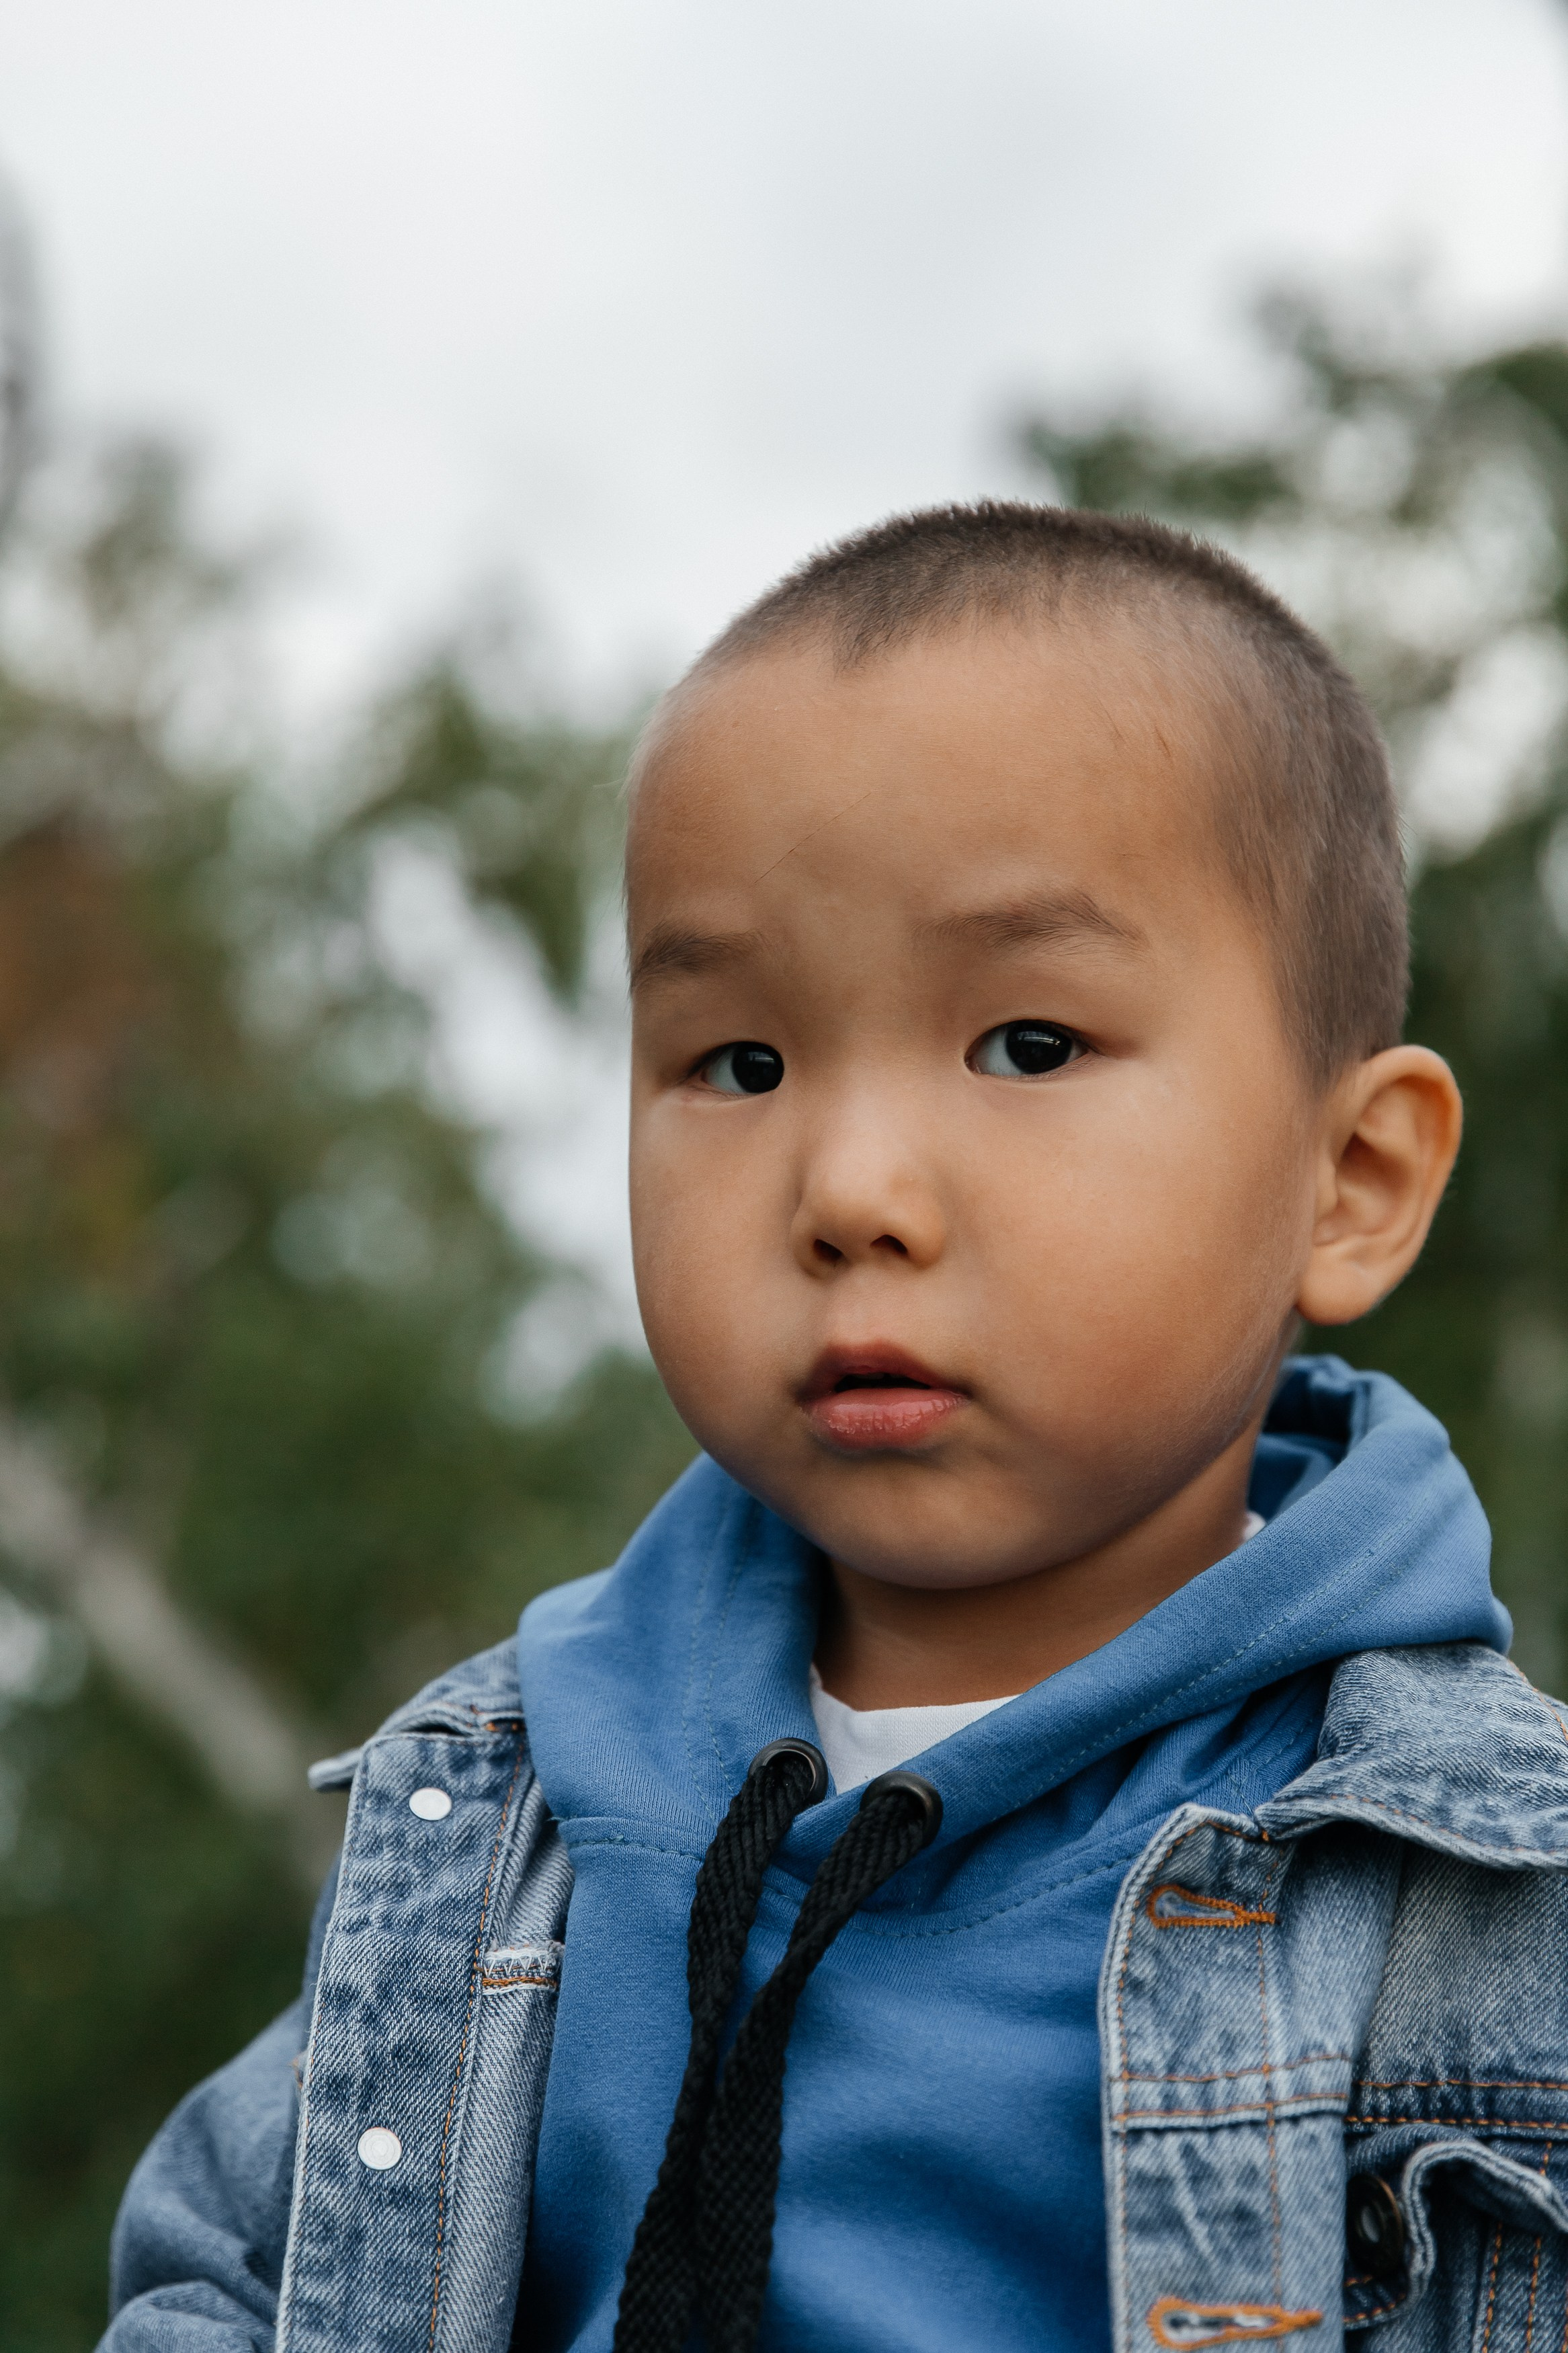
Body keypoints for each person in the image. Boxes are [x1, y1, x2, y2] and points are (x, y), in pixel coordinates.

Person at [103, 503, 1568, 2353]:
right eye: (741, 1062)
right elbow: (228, 2278)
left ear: (1349, 1181)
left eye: (1028, 1042)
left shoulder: (1490, 1898)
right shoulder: (509, 1815)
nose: (850, 1187)